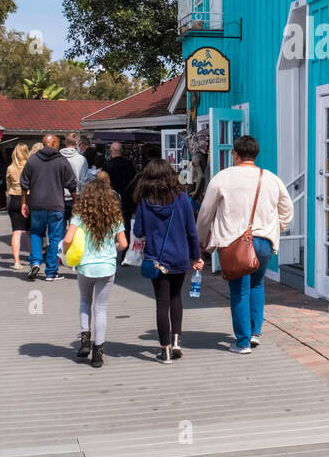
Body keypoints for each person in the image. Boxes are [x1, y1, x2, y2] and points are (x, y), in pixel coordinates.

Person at [196, 136, 292, 353]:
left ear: (235, 154)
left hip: (234, 243)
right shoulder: (270, 178)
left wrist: (200, 241)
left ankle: (242, 342)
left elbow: (205, 214)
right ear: (255, 154)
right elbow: (287, 210)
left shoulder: (223, 178)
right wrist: (275, 228)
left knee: (239, 290)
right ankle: (254, 333)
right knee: (257, 285)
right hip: (264, 241)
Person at [132, 160, 201, 364]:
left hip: (156, 258)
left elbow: (139, 232)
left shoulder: (144, 201)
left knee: (161, 303)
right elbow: (191, 232)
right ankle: (177, 342)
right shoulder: (182, 199)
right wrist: (196, 256)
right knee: (176, 297)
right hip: (179, 255)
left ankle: (165, 350)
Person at [63, 179, 127, 368]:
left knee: (85, 301)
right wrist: (111, 250)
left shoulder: (79, 217)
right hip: (107, 267)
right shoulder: (114, 217)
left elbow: (67, 239)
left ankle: (85, 339)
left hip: (85, 266)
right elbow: (123, 244)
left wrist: (65, 252)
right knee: (100, 308)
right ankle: (98, 351)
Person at [18, 134, 79, 282]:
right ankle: (51, 272)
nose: (59, 145)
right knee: (55, 238)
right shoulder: (61, 161)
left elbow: (24, 184)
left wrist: (24, 203)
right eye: (58, 143)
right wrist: (76, 202)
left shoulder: (32, 160)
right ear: (54, 144)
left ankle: (35, 262)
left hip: (36, 205)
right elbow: (71, 184)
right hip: (55, 205)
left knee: (35, 234)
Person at [4, 143, 31, 271]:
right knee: (30, 232)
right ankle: (33, 258)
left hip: (14, 198)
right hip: (29, 198)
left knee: (16, 231)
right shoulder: (30, 166)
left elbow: (8, 187)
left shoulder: (10, 168)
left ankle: (16, 261)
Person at [101, 142, 137, 232]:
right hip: (128, 200)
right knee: (126, 227)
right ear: (122, 151)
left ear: (111, 151)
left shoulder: (107, 166)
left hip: (112, 200)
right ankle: (125, 243)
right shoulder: (130, 165)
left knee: (112, 228)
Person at [60, 133, 88, 219]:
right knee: (75, 227)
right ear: (76, 142)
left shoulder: (58, 157)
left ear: (65, 142)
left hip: (60, 196)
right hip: (77, 196)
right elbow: (83, 180)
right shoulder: (81, 159)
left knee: (60, 226)